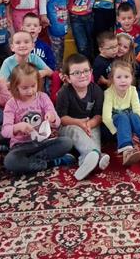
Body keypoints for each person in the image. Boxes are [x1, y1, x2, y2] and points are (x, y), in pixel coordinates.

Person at [1, 63, 74, 174]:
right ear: (15, 87)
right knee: (10, 161)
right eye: (25, 88)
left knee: (67, 142)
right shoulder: (11, 104)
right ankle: (49, 163)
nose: (30, 91)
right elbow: (5, 131)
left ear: (38, 83)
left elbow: (58, 122)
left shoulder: (43, 97)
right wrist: (18, 127)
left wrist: (52, 118)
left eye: (33, 86)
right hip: (21, 146)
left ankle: (30, 163)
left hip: (42, 143)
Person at [56, 53, 110, 181]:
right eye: (76, 73)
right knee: (75, 130)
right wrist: (79, 123)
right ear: (68, 78)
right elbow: (62, 118)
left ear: (91, 72)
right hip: (69, 126)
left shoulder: (96, 90)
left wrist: (88, 125)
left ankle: (86, 161)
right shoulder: (64, 92)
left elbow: (98, 115)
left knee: (94, 133)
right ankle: (97, 155)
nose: (82, 75)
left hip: (90, 125)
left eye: (86, 71)